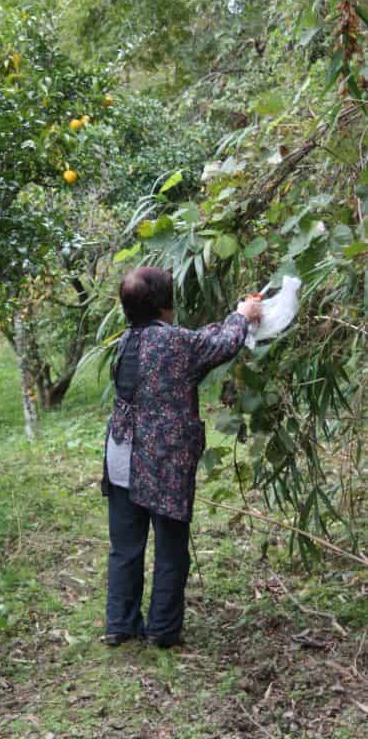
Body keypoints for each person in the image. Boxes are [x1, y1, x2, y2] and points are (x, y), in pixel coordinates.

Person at [100, 266, 262, 648]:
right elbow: (219, 344)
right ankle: (162, 630)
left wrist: (236, 314)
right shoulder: (175, 345)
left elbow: (199, 339)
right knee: (171, 547)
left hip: (122, 455)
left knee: (125, 546)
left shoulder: (127, 341)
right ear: (165, 304)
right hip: (162, 461)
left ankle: (118, 625)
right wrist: (242, 315)